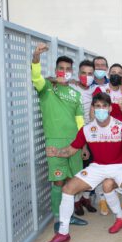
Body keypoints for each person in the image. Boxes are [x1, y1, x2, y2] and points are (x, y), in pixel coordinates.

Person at [44, 93, 122, 242]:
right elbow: (72, 150)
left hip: (120, 166)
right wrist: (56, 152)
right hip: (97, 166)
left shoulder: (121, 127)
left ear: (110, 108)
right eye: (97, 106)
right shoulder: (87, 129)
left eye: (104, 106)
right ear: (92, 108)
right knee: (67, 189)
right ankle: (63, 233)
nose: (101, 110)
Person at [31, 43, 87, 231]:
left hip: (75, 143)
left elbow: (80, 123)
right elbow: (36, 77)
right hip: (55, 142)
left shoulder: (75, 93)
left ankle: (68, 216)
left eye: (68, 69)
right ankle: (58, 220)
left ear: (72, 72)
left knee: (73, 181)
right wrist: (36, 56)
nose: (64, 71)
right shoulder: (46, 87)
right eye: (61, 69)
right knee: (58, 181)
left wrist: (84, 144)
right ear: (56, 70)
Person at [69, 60, 98, 216]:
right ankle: (76, 201)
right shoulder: (71, 87)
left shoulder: (95, 89)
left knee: (91, 167)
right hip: (75, 133)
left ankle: (86, 198)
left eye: (90, 74)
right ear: (78, 74)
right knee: (77, 169)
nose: (86, 76)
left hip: (92, 134)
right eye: (83, 73)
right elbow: (49, 80)